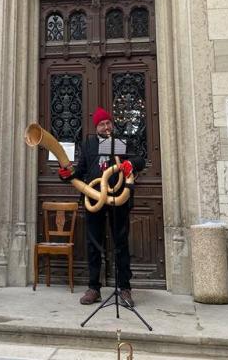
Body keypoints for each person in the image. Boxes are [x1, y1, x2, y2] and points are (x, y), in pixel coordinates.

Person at [60, 107, 145, 308]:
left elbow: (139, 159)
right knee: (93, 245)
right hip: (94, 199)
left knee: (121, 243)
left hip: (117, 200)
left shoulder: (120, 142)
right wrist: (66, 175)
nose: (105, 127)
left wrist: (130, 164)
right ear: (96, 127)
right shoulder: (89, 144)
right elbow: (80, 171)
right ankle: (93, 288)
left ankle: (124, 288)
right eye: (101, 124)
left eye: (108, 123)